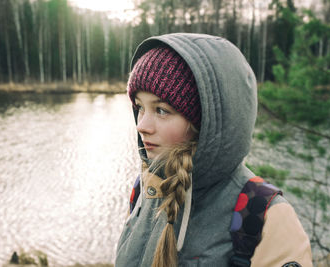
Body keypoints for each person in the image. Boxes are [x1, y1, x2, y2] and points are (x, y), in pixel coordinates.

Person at [115, 33, 312, 267]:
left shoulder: (263, 216)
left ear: (205, 122)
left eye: (161, 110)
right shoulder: (145, 191)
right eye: (140, 107)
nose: (142, 126)